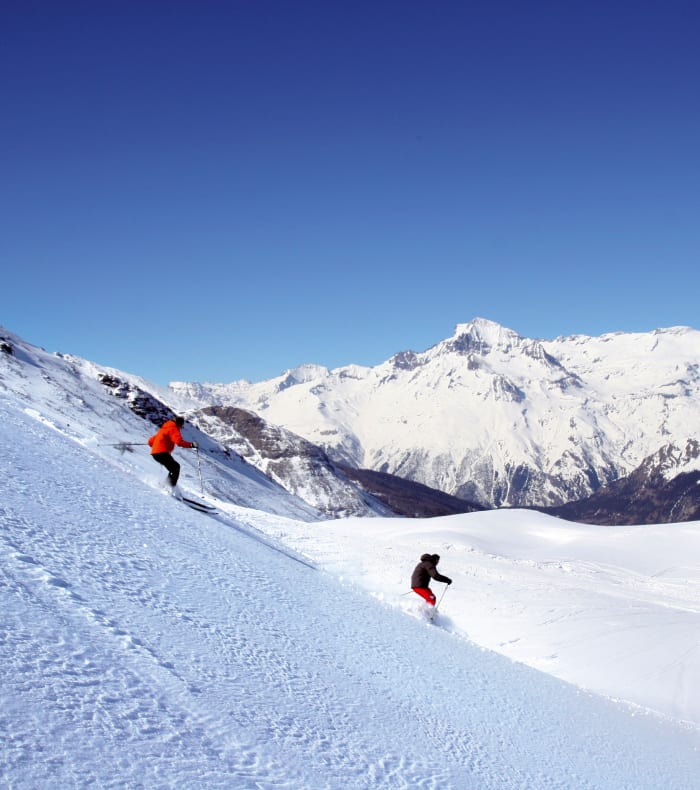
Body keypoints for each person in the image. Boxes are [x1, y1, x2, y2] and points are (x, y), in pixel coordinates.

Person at [148, 416, 197, 488]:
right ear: (179, 424)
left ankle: (165, 486)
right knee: (175, 468)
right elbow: (179, 442)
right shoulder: (173, 428)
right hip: (162, 452)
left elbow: (150, 441)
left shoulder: (164, 428)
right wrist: (191, 445)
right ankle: (169, 487)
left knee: (173, 468)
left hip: (155, 453)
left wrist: (157, 445)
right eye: (181, 426)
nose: (181, 428)